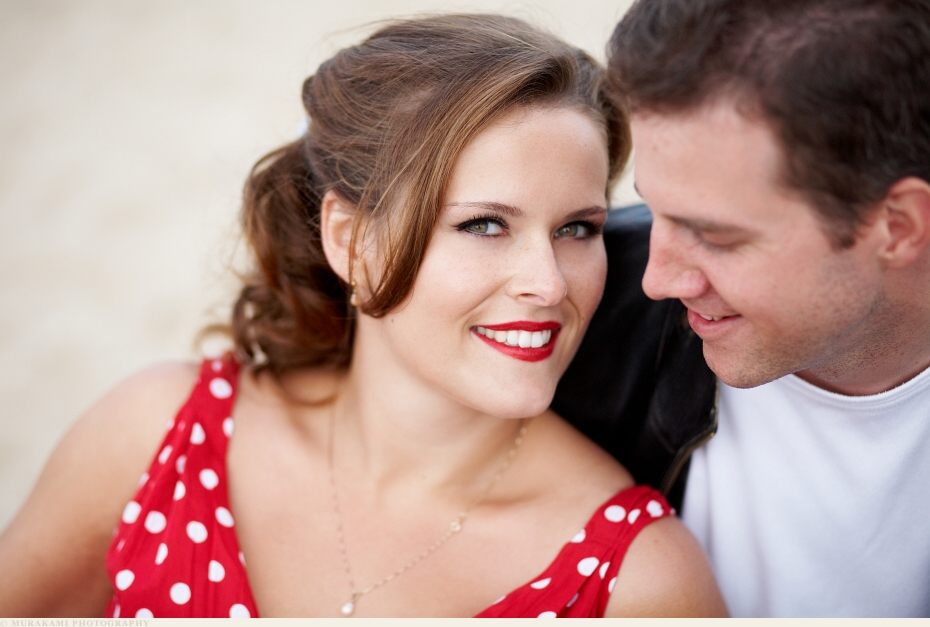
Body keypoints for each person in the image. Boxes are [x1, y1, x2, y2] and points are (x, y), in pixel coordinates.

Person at [0, 14, 725, 618]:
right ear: (349, 239)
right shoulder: (160, 435)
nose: (547, 283)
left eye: (578, 229)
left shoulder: (638, 581)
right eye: (484, 225)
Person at [553, 0, 930, 617]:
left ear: (898, 226)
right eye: (656, 211)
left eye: (716, 236)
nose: (656, 279)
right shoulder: (584, 310)